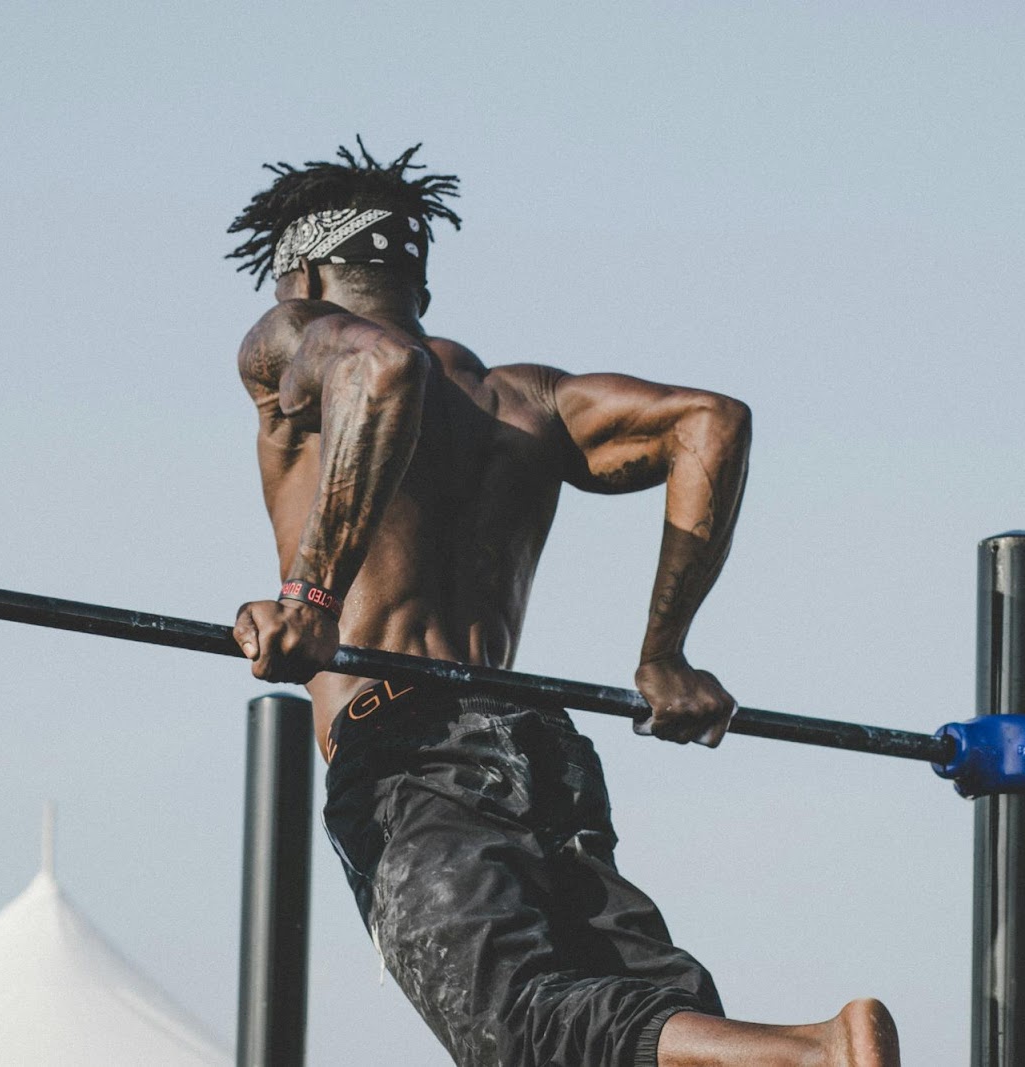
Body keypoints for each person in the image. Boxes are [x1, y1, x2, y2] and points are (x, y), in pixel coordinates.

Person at [227, 141, 900, 1067]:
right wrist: (664, 650)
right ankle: (791, 1054)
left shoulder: (293, 338)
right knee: (636, 1023)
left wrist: (309, 596)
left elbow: (380, 370)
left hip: (407, 752)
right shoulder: (522, 401)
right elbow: (708, 420)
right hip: (536, 746)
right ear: (418, 280)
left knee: (522, 1030)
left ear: (299, 276)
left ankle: (822, 1049)